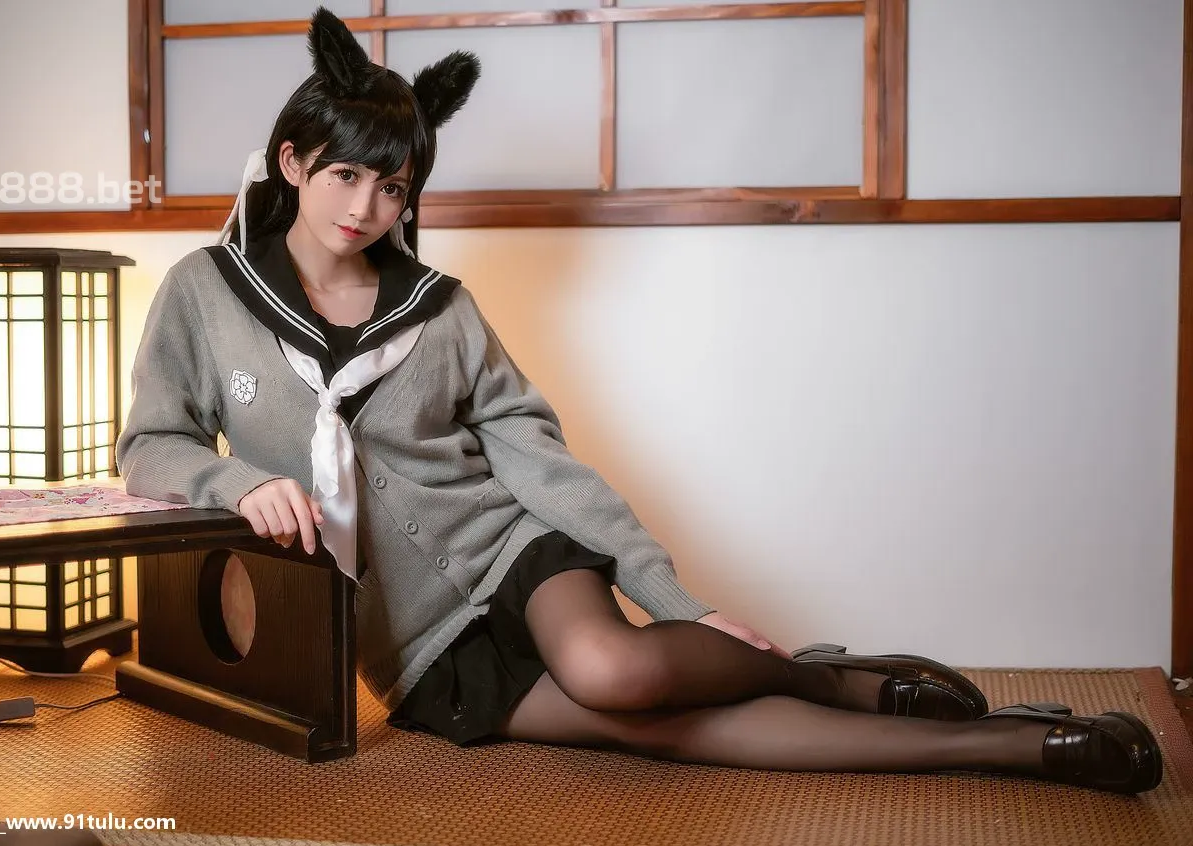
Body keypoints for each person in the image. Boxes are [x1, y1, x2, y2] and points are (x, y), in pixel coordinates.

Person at [117, 6, 1162, 795]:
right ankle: (974, 733)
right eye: (346, 175)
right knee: (661, 731)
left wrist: (671, 598)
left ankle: (882, 698)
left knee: (613, 668)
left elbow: (534, 455)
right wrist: (235, 483)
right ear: (293, 162)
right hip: (411, 647)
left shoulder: (439, 306)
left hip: (508, 551)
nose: (366, 206)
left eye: (392, 187)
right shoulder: (205, 294)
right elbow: (150, 444)